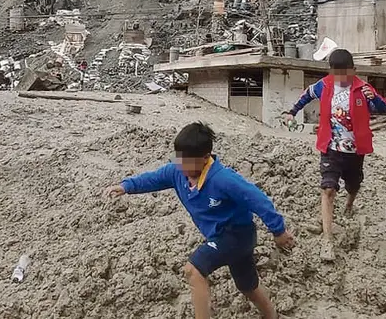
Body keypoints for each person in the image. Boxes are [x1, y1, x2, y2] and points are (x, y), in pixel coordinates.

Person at [104, 123, 295, 319]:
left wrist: (278, 231)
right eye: (179, 160)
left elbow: (257, 199)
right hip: (220, 237)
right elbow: (153, 179)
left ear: (206, 158)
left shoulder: (223, 179)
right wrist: (126, 186)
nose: (181, 166)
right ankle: (272, 315)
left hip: (237, 234)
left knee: (193, 271)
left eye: (188, 162)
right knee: (248, 286)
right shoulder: (177, 171)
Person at [281, 48, 386, 262]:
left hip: (355, 150)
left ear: (353, 71)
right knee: (328, 188)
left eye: (345, 74)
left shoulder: (363, 88)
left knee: (354, 184)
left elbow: (383, 107)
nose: (340, 78)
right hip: (330, 148)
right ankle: (327, 240)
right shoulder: (324, 85)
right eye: (336, 73)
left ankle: (349, 205)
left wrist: (374, 100)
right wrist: (291, 112)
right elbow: (306, 95)